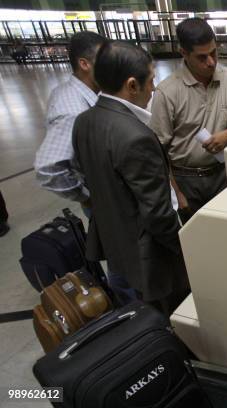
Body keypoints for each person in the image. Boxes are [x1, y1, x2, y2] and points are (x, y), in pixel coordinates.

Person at [73, 41, 188, 315]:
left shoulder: (84, 121)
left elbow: (91, 182)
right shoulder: (136, 136)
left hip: (116, 250)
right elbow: (158, 215)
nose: (154, 89)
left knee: (136, 316)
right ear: (132, 85)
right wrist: (186, 246)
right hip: (150, 264)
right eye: (151, 80)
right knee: (167, 321)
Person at [150, 18, 227, 220]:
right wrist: (177, 194)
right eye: (202, 57)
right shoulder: (167, 92)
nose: (211, 62)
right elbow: (157, 152)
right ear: (184, 53)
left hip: (222, 174)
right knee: (197, 240)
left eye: (213, 53)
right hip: (185, 180)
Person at [35, 31, 107, 207]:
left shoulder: (67, 90)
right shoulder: (75, 112)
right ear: (84, 64)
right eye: (105, 61)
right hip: (101, 199)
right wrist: (87, 198)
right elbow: (48, 169)